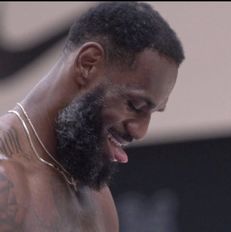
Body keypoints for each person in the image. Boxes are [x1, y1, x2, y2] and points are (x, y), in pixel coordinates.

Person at [0, 2, 184, 231]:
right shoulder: (6, 180)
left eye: (152, 112)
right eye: (134, 105)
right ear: (88, 64)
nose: (140, 131)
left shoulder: (98, 198)